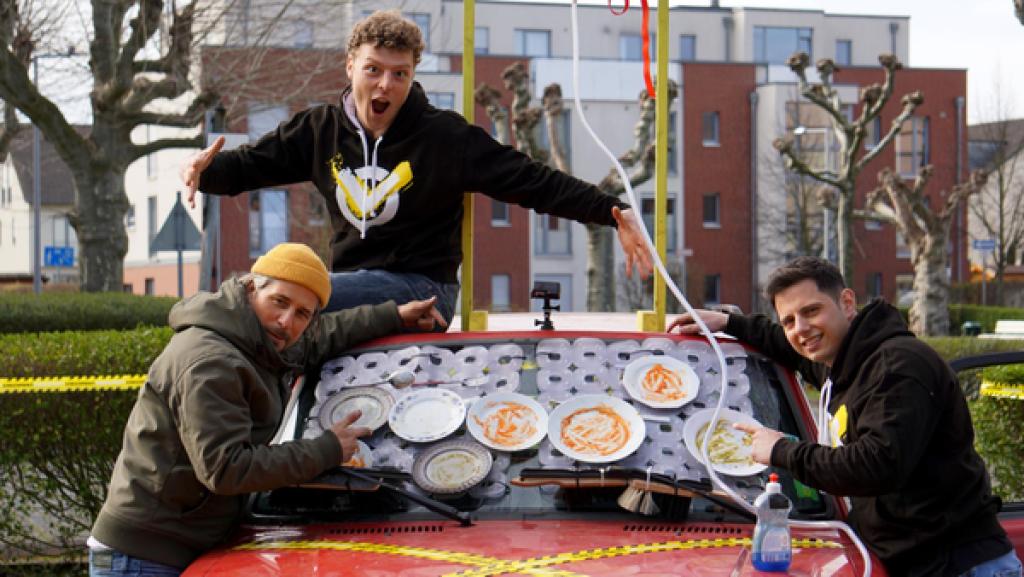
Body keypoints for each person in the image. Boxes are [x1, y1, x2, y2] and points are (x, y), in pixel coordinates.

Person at [181, 9, 653, 326]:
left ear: (412, 75)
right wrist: (203, 171)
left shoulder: (443, 137)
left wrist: (611, 211)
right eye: (374, 70)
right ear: (350, 68)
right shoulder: (319, 129)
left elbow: (531, 180)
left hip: (422, 287)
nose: (386, 84)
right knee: (268, 302)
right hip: (348, 284)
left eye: (399, 74)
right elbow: (252, 166)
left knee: (286, 297)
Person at [88, 242, 445, 576]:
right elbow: (226, 469)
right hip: (142, 557)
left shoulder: (258, 338)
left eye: (302, 313)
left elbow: (321, 337)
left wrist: (394, 316)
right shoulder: (211, 361)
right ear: (250, 288)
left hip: (187, 544)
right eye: (279, 301)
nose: (287, 321)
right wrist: (327, 450)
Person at [669, 256, 1021, 577]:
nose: (801, 328)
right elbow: (787, 345)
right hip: (909, 561)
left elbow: (875, 466)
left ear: (847, 302)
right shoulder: (845, 362)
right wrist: (731, 322)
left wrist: (780, 450)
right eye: (789, 319)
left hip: (961, 565)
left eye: (811, 311)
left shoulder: (898, 367)